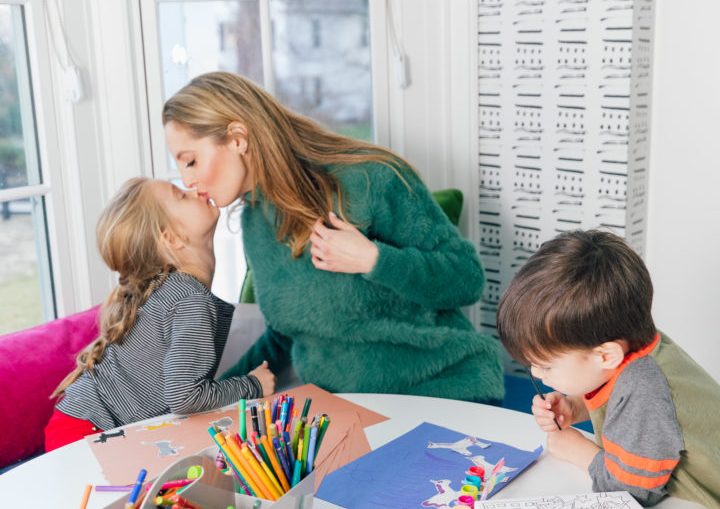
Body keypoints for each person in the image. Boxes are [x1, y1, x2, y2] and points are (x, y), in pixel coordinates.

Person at [161, 71, 504, 404]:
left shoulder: (369, 179)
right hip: (347, 408)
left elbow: (467, 279)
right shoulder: (255, 221)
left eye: (190, 161)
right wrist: (213, 399)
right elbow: (290, 333)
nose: (186, 180)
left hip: (442, 389)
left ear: (237, 138)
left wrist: (375, 260)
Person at [45, 177, 275, 451]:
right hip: (89, 434)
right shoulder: (189, 299)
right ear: (172, 238)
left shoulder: (172, 290)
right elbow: (184, 397)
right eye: (181, 195)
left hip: (79, 427)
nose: (195, 190)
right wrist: (252, 386)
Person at [496, 229, 720, 507]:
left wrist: (579, 451)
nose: (538, 373)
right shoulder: (636, 346)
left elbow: (631, 493)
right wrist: (575, 407)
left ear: (605, 355)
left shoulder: (644, 390)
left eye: (546, 366)